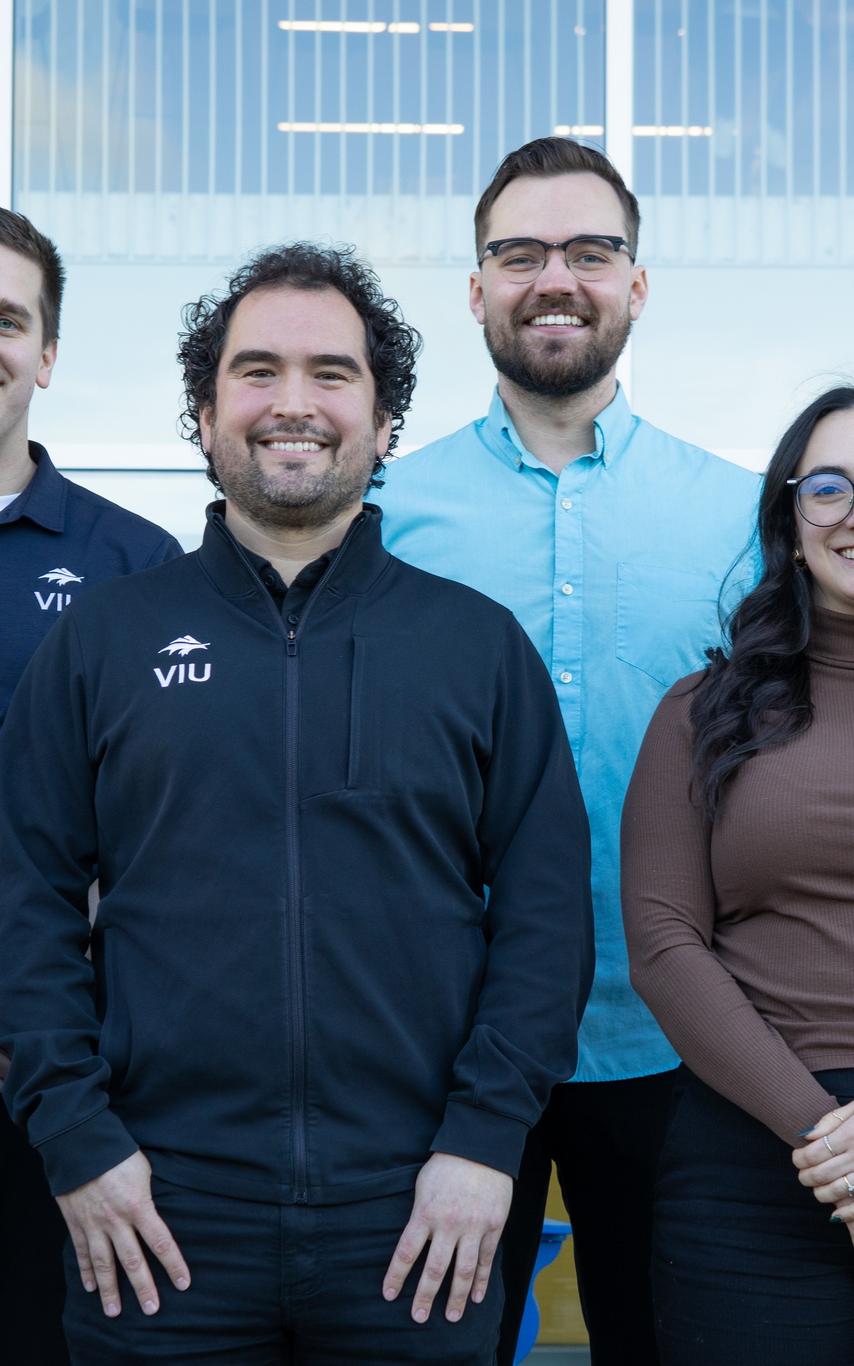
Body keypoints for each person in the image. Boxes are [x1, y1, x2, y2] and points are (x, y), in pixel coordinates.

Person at [0, 241, 594, 1365]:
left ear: (383, 419)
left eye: (332, 373)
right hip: (154, 1213)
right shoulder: (103, 640)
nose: (293, 403)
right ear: (204, 410)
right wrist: (76, 1139)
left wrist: (484, 1143)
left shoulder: (474, 647)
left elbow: (546, 914)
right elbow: (21, 900)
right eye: (256, 369)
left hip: (417, 1216)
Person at [371, 135, 760, 1365]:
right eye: (519, 253)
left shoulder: (738, 515)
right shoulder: (381, 511)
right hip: (438, 1038)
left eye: (589, 251)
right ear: (474, 286)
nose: (554, 279)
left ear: (635, 284)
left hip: (679, 1041)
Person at [622, 385, 854, 1364]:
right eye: (830, 486)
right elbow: (662, 943)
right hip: (750, 1164)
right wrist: (825, 1139)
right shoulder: (704, 709)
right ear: (789, 521)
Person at [0, 207, 182, 1365]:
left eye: (6, 319)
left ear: (48, 354)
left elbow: (161, 833)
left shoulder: (133, 569)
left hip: (62, 1074)